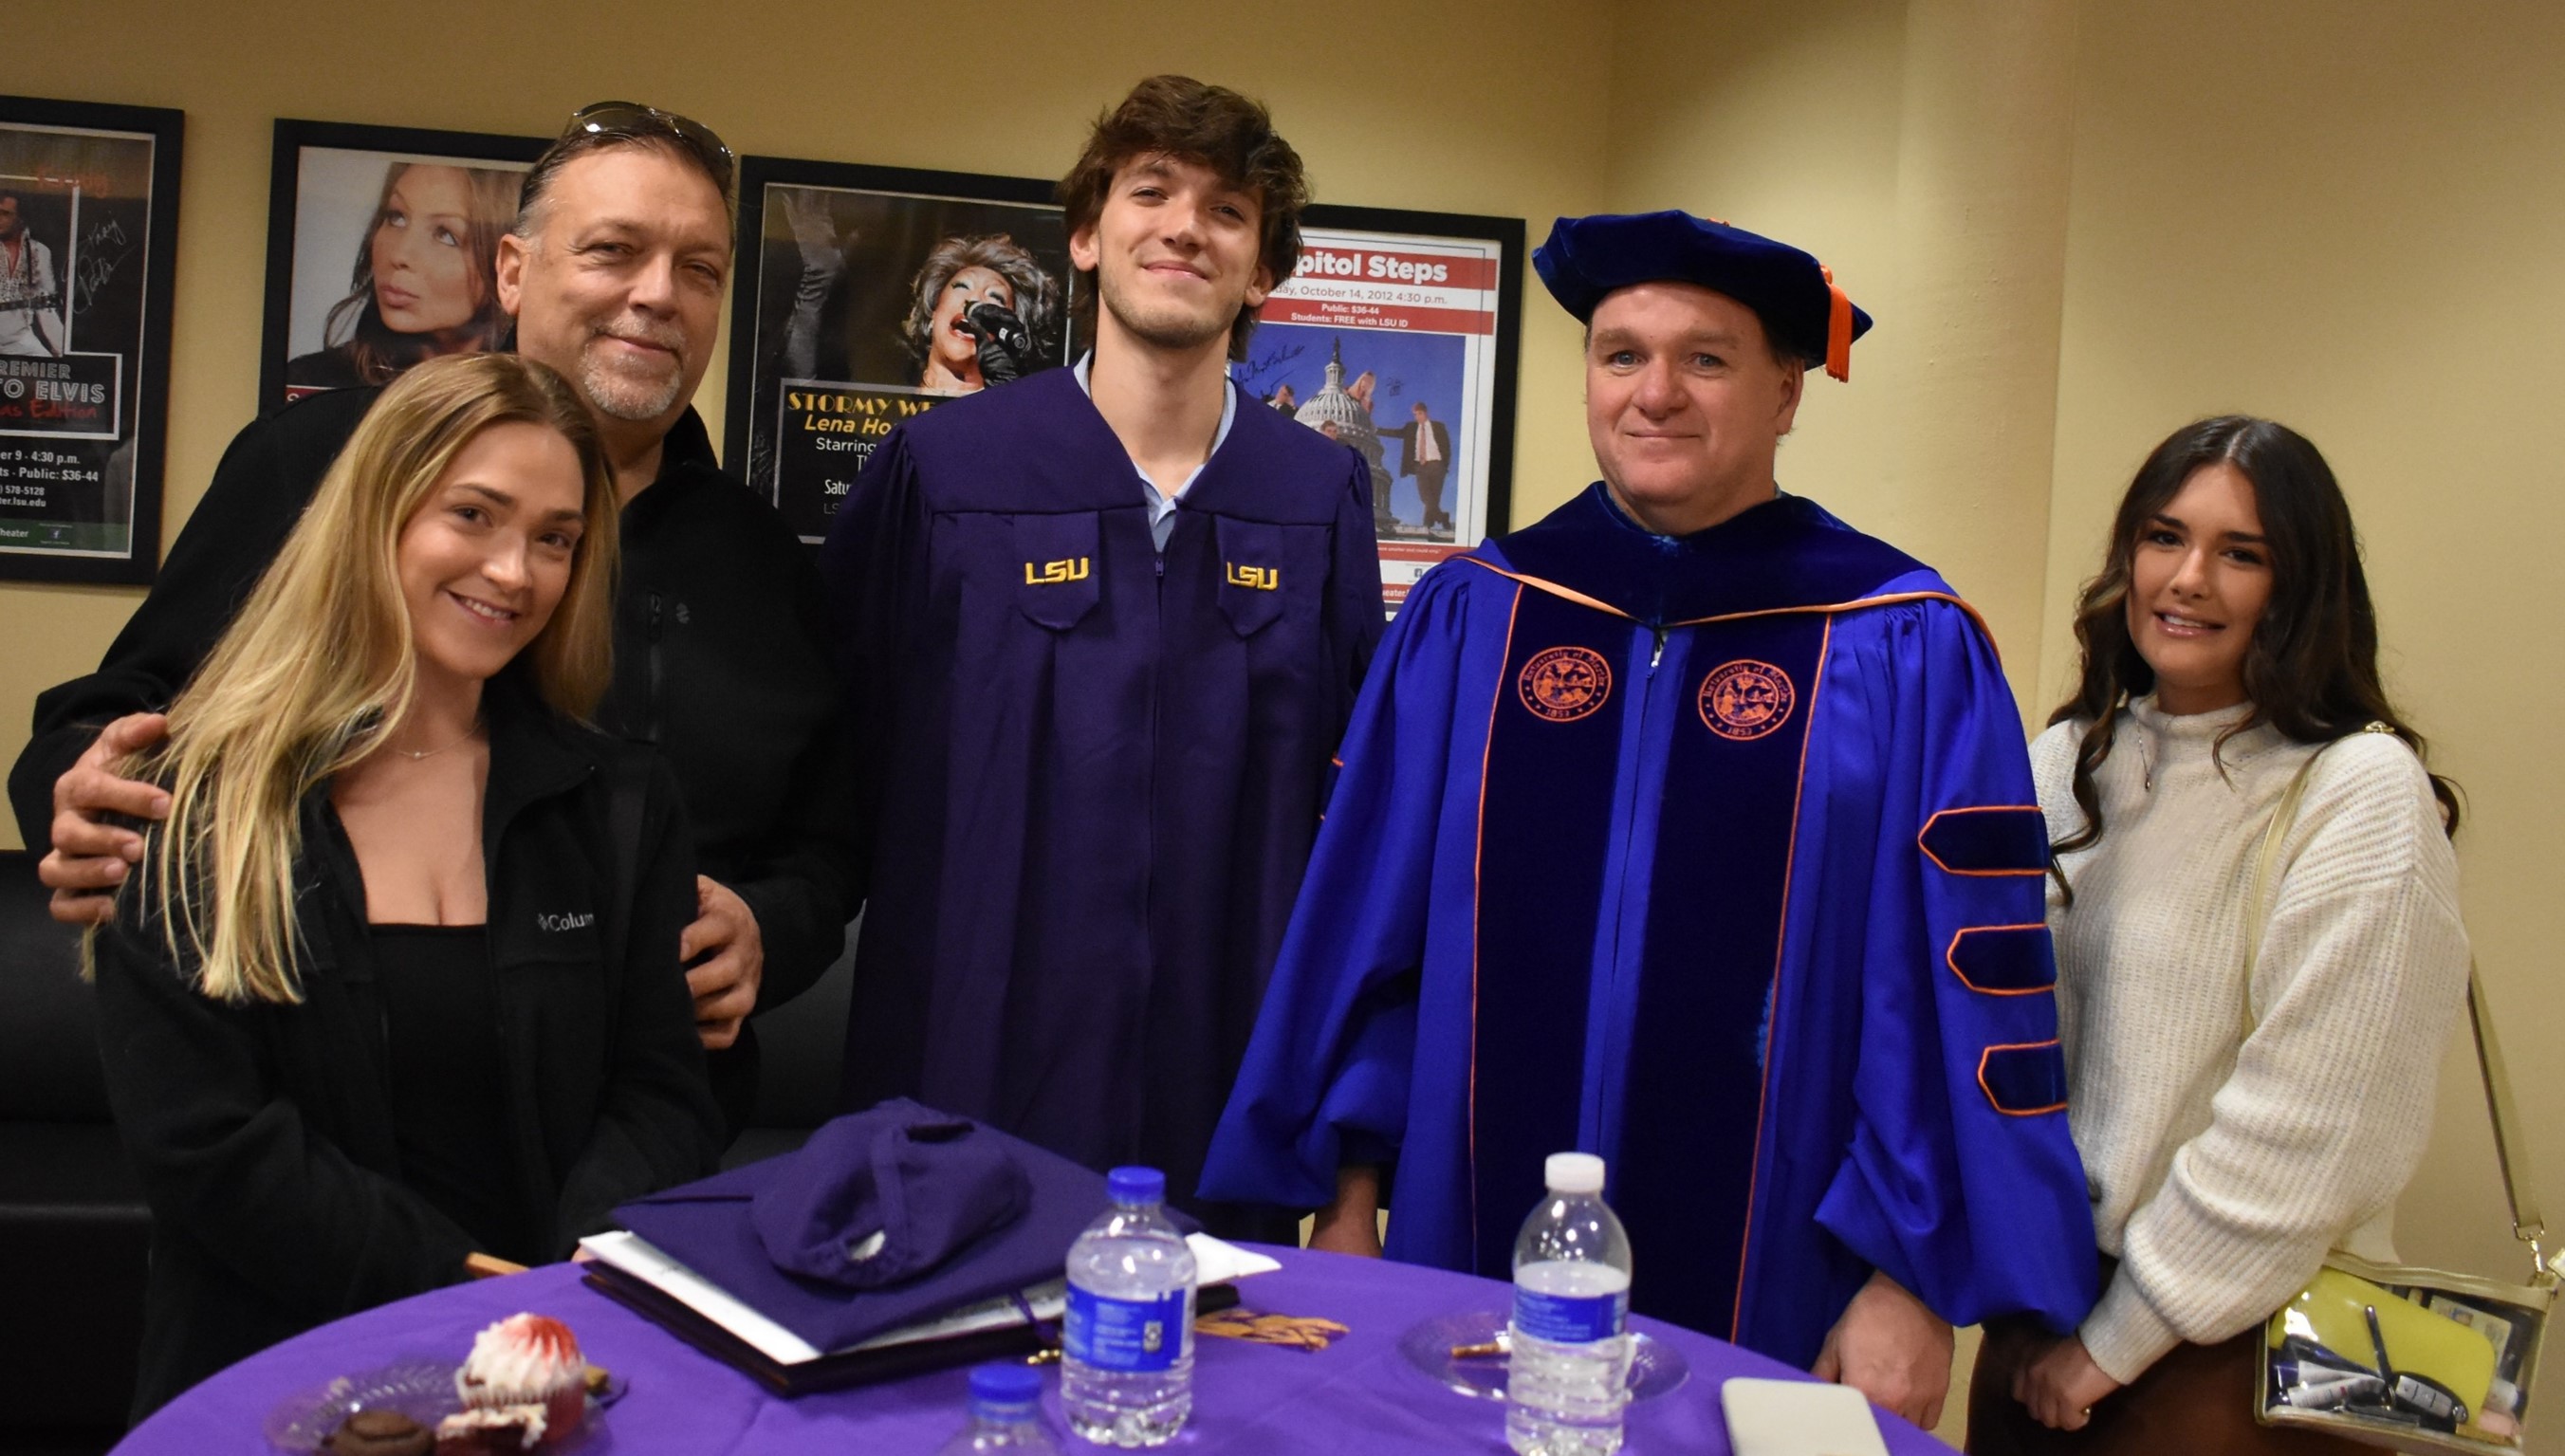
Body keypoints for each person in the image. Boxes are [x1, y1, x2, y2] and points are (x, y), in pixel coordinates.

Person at [1198, 210, 2096, 1427]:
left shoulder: (1902, 640)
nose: (1654, 393)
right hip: (1459, 1252)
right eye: (1621, 354)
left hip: (1791, 1278)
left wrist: (1907, 1275)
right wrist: (1348, 1198)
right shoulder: (1479, 617)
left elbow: (1952, 989)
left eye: (1706, 359)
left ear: (1786, 390)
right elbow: (1374, 934)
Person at [12, 102, 858, 1133]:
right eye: (614, 251)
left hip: (647, 1138)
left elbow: (830, 842)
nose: (656, 296)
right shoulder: (317, 464)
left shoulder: (769, 562)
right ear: (513, 270)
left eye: (699, 270)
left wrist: (772, 928)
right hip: (332, 1117)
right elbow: (121, 711)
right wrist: (80, 787)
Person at [89, 352, 723, 1419]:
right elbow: (208, 1143)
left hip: (558, 1374)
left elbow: (662, 1086)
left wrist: (574, 1274)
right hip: (276, 1383)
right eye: (472, 514)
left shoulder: (618, 801)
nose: (515, 570)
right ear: (376, 513)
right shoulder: (191, 799)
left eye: (555, 539)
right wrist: (465, 1287)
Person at [819, 75, 1384, 1238]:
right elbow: (848, 754)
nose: (1186, 224)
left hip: (1225, 1078)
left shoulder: (1314, 496)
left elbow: (1346, 806)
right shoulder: (947, 472)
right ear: (1086, 235)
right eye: (1151, 190)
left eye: (1228, 210)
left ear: (1260, 269)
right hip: (969, 1053)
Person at [1967, 417, 2469, 1454]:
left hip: (2232, 1356)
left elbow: (2308, 1130)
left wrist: (2117, 1338)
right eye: (2164, 537)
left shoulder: (2358, 792)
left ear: (2300, 587)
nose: (2187, 577)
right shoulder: (2068, 759)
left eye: (2240, 553)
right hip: (2041, 1322)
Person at [285, 162, 519, 394]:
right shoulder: (310, 381)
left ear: (506, 266)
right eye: (396, 217)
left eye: (445, 235)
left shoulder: (530, 401)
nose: (399, 254)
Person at [899, 232, 1060, 394]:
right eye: (962, 287)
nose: (975, 300)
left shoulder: (1021, 412)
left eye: (996, 297)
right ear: (934, 311)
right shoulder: (888, 391)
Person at [0, 190, 66, 358]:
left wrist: (63, 352)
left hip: (19, 341)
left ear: (20, 218)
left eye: (5, 214)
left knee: (57, 377)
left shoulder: (39, 252)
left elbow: (45, 307)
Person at [1378, 398, 1452, 534]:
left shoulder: (1439, 426)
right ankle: (1442, 517)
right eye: (1415, 414)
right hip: (1421, 467)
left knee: (1434, 498)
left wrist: (1444, 464)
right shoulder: (1411, 427)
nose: (1417, 417)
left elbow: (1446, 446)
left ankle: (1427, 525)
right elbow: (1397, 433)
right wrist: (1377, 430)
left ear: (1425, 413)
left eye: (1419, 413)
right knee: (1425, 497)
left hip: (1437, 465)